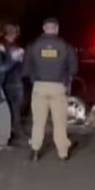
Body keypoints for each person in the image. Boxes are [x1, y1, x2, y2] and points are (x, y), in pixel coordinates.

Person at [22, 17, 78, 161]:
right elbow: (74, 68)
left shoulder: (33, 46)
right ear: (57, 29)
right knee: (59, 122)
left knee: (38, 121)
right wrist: (66, 79)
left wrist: (35, 78)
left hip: (39, 87)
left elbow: (26, 69)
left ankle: (35, 151)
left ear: (44, 28)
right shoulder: (66, 46)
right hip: (58, 87)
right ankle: (63, 154)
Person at [2, 23, 26, 139]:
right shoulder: (3, 46)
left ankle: (14, 129)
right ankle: (11, 131)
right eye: (16, 31)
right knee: (11, 107)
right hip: (9, 80)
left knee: (16, 107)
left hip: (16, 79)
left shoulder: (13, 45)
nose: (17, 34)